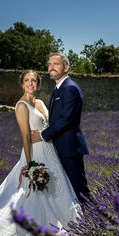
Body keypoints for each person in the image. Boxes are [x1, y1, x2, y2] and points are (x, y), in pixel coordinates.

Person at [0, 70, 82, 236]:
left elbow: (48, 127)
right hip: (34, 153)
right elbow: (25, 136)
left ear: (38, 84)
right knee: (30, 194)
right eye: (27, 80)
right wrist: (29, 164)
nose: (30, 83)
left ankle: (61, 223)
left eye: (34, 80)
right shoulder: (21, 106)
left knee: (57, 188)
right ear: (22, 83)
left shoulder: (40, 102)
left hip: (50, 150)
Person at [31, 53, 90, 201]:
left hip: (69, 147)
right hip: (59, 146)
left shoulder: (70, 88)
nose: (51, 67)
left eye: (56, 64)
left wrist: (43, 135)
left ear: (66, 67)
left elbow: (67, 119)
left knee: (79, 190)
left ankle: (95, 220)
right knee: (68, 191)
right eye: (49, 64)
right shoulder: (58, 88)